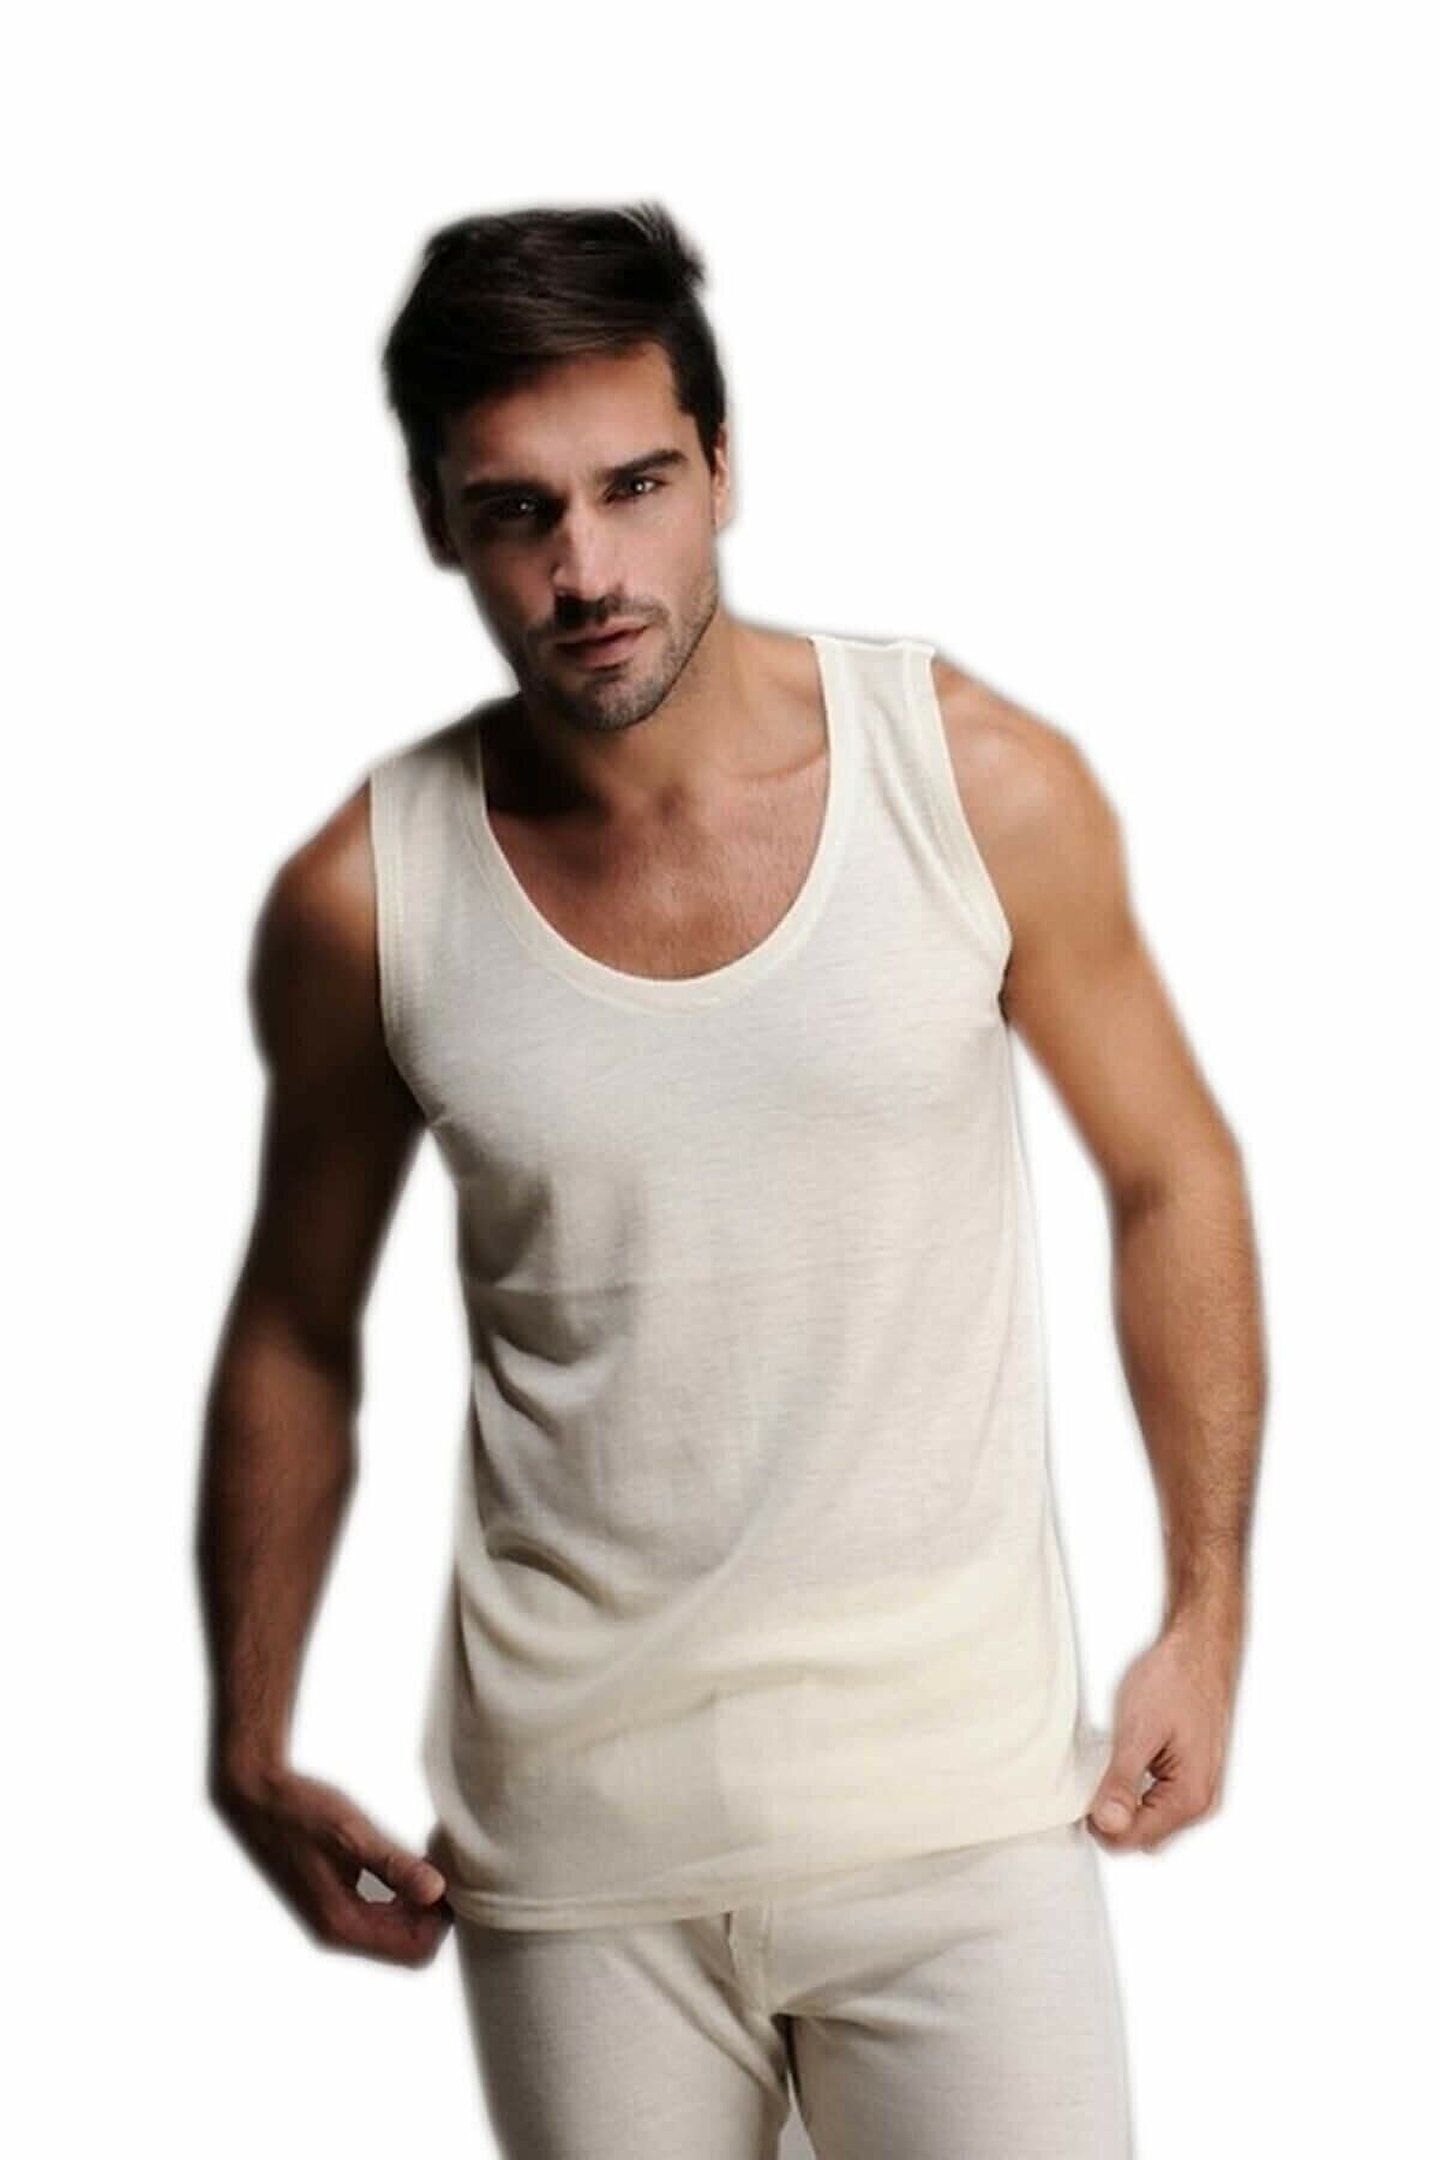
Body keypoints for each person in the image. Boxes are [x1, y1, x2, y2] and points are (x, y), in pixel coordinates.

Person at [196, 201, 1266, 2159]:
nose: (588, 570)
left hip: (959, 1822)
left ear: (722, 467)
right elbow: (295, 1319)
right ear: (438, 524)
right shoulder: (367, 897)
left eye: (636, 486)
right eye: (518, 512)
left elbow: (1171, 1174)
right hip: (577, 1861)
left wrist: (1206, 1607)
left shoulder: (975, 786)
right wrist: (247, 1740)